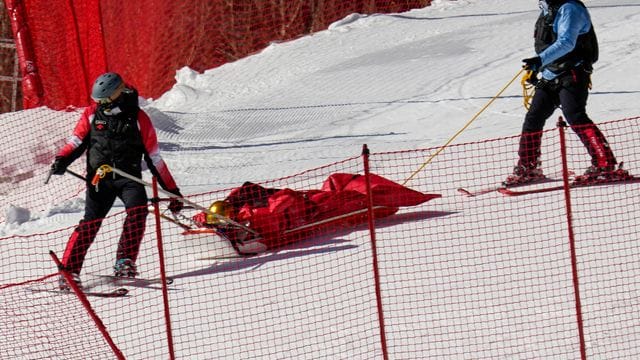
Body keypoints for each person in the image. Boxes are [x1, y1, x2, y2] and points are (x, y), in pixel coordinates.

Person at [50, 72, 183, 290]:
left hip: (128, 178)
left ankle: (125, 261)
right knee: (91, 222)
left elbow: (154, 158)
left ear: (117, 94)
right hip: (99, 179)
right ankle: (69, 271)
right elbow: (76, 141)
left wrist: (172, 190)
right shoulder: (92, 114)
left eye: (104, 100)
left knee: (138, 211)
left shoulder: (139, 118)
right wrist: (62, 159)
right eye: (97, 101)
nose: (100, 104)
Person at [504, 0, 628, 186]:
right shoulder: (548, 9)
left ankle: (605, 165)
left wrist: (540, 60)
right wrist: (538, 68)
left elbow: (566, 42)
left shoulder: (570, 8)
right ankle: (528, 167)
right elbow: (547, 42)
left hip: (573, 72)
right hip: (551, 74)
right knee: (533, 117)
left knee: (575, 115)